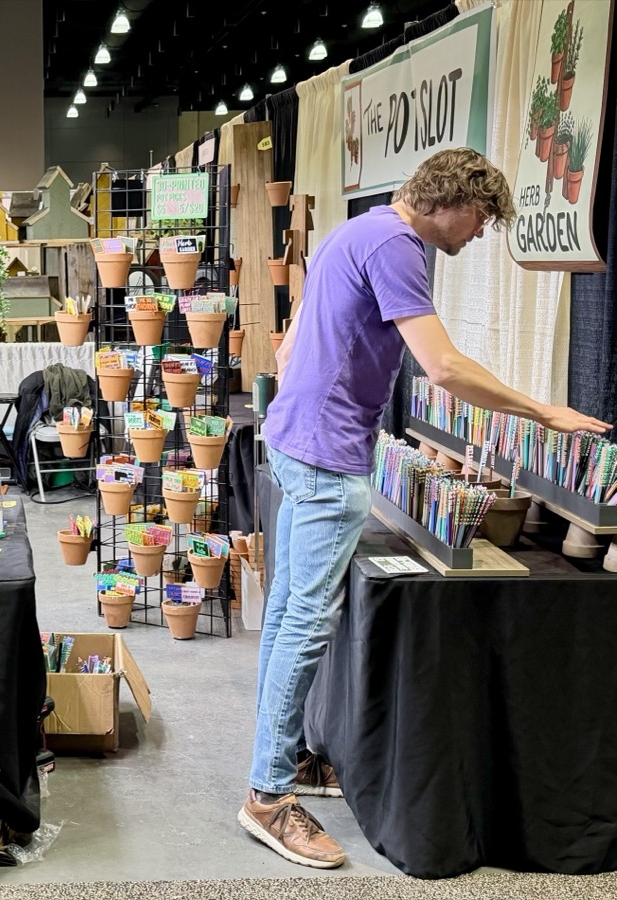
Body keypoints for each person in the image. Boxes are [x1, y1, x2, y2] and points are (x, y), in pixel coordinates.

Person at [238, 147, 611, 869]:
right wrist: (544, 411)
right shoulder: (397, 246)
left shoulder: (355, 230)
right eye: (481, 220)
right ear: (452, 201)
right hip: (326, 457)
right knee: (304, 627)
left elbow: (292, 341)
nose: (478, 234)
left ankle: (276, 762)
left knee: (287, 617)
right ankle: (267, 796)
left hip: (296, 439)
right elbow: (442, 366)